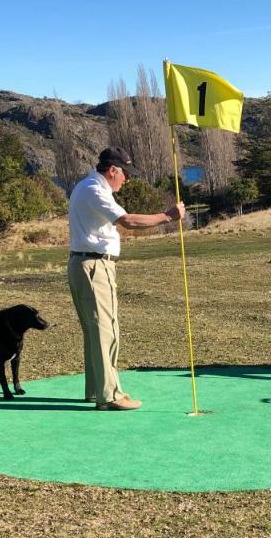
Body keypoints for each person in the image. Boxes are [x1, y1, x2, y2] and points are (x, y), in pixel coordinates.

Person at [67, 147, 185, 410]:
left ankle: (97, 390)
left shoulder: (87, 186)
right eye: (125, 174)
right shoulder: (94, 190)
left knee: (96, 330)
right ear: (112, 171)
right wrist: (168, 216)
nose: (127, 180)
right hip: (94, 266)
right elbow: (128, 221)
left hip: (85, 263)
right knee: (105, 330)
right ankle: (109, 396)